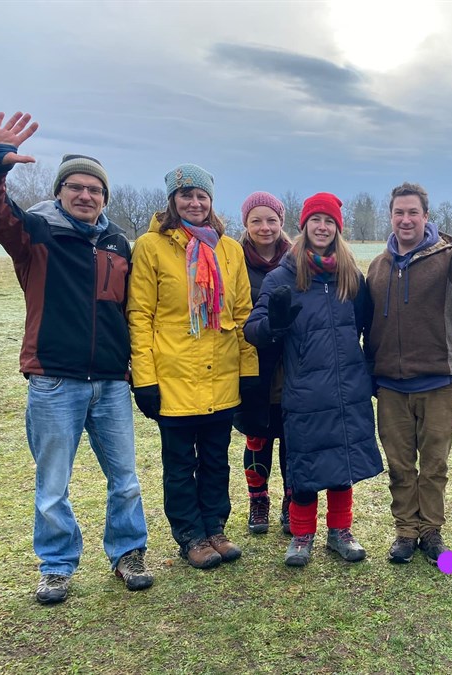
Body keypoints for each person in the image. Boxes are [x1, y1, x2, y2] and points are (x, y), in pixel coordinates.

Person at [0, 112, 152, 604]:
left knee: (126, 479)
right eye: (76, 187)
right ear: (60, 191)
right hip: (54, 380)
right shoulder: (34, 233)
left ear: (105, 197)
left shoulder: (118, 244)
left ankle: (128, 553)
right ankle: (56, 565)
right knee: (53, 484)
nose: (86, 195)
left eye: (95, 189)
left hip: (111, 381)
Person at [365, 182, 452, 565]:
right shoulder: (377, 267)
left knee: (434, 467)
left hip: (437, 384)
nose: (406, 219)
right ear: (390, 217)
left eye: (413, 212)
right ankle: (405, 532)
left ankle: (430, 532)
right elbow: (367, 324)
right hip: (390, 388)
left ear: (426, 216)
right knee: (399, 467)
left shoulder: (450, 259)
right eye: (399, 212)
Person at [128, 163, 259, 570]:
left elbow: (242, 313)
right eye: (186, 195)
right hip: (174, 377)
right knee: (181, 464)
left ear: (211, 201)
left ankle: (215, 527)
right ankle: (190, 535)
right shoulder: (151, 247)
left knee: (216, 459)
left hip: (221, 375)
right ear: (173, 200)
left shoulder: (229, 249)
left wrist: (249, 371)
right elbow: (140, 315)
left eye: (202, 196)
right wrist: (144, 379)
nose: (195, 202)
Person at [244, 192, 383, 567]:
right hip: (305, 388)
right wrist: (274, 325)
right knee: (304, 466)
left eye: (329, 221)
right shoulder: (282, 277)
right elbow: (253, 329)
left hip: (347, 387)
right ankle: (302, 535)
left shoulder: (352, 277)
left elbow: (365, 325)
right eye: (315, 220)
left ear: (338, 228)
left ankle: (341, 532)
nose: (322, 227)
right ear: (304, 226)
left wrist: (366, 372)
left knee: (343, 466)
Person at [232, 192, 293, 536]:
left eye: (271, 220)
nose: (264, 227)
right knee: (257, 435)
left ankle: (291, 501)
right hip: (251, 360)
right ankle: (258, 501)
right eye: (256, 220)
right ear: (246, 223)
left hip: (290, 362)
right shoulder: (234, 259)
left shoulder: (296, 259)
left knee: (292, 436)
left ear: (281, 222)